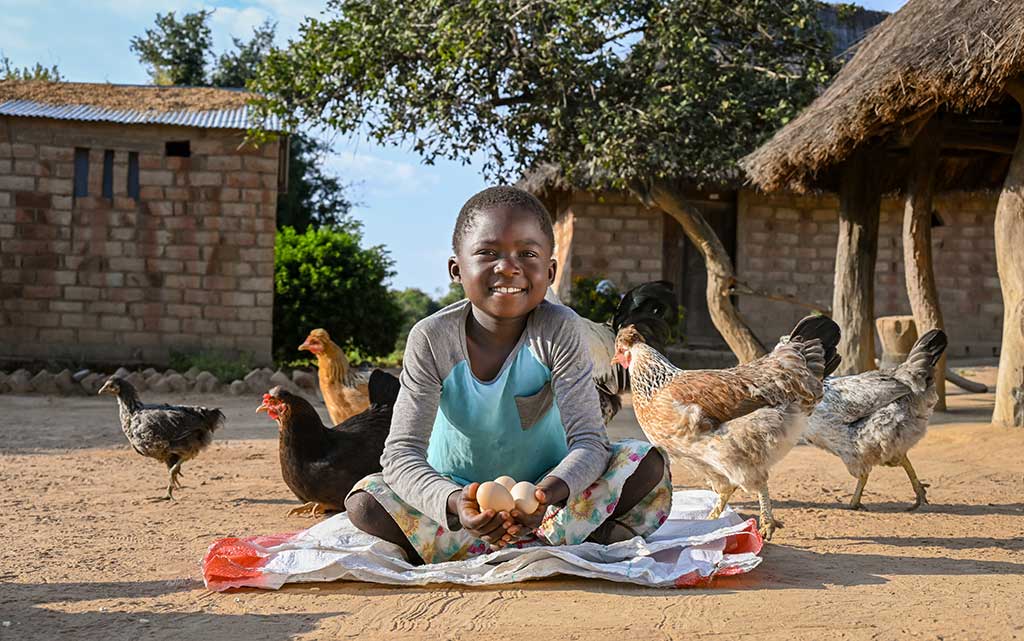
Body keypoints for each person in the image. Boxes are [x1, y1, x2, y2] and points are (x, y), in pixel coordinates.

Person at [345, 185, 671, 565]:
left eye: (527, 254)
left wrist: (547, 493)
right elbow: (402, 453)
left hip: (550, 493)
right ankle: (565, 536)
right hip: (456, 497)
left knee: (645, 462)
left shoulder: (559, 330)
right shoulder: (431, 338)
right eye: (488, 253)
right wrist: (455, 502)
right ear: (456, 269)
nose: (508, 267)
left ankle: (478, 545)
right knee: (365, 502)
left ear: (550, 271)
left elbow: (589, 441)